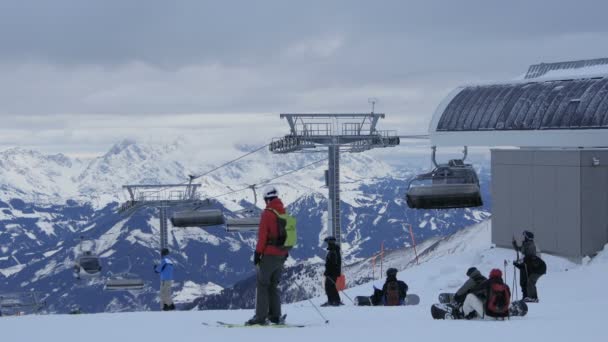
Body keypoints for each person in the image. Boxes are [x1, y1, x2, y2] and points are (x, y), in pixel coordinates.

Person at [246, 186, 289, 325]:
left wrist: (258, 253)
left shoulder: (267, 213)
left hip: (269, 254)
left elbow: (263, 236)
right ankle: (275, 316)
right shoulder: (284, 212)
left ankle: (260, 318)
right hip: (282, 254)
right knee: (273, 286)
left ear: (267, 199)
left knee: (263, 285)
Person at [513, 230, 546, 302]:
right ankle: (525, 296)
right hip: (526, 264)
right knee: (523, 282)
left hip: (529, 265)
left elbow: (527, 257)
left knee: (528, 281)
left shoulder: (530, 245)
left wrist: (519, 263)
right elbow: (520, 249)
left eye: (524, 236)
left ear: (527, 237)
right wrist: (514, 244)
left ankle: (532, 297)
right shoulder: (526, 244)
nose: (523, 238)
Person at [321, 236, 342, 307]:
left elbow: (332, 264)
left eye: (328, 242)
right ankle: (336, 301)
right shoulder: (335, 250)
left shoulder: (333, 251)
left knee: (328, 286)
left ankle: (332, 301)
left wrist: (327, 272)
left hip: (332, 273)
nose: (327, 244)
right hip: (334, 272)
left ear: (330, 242)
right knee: (332, 286)